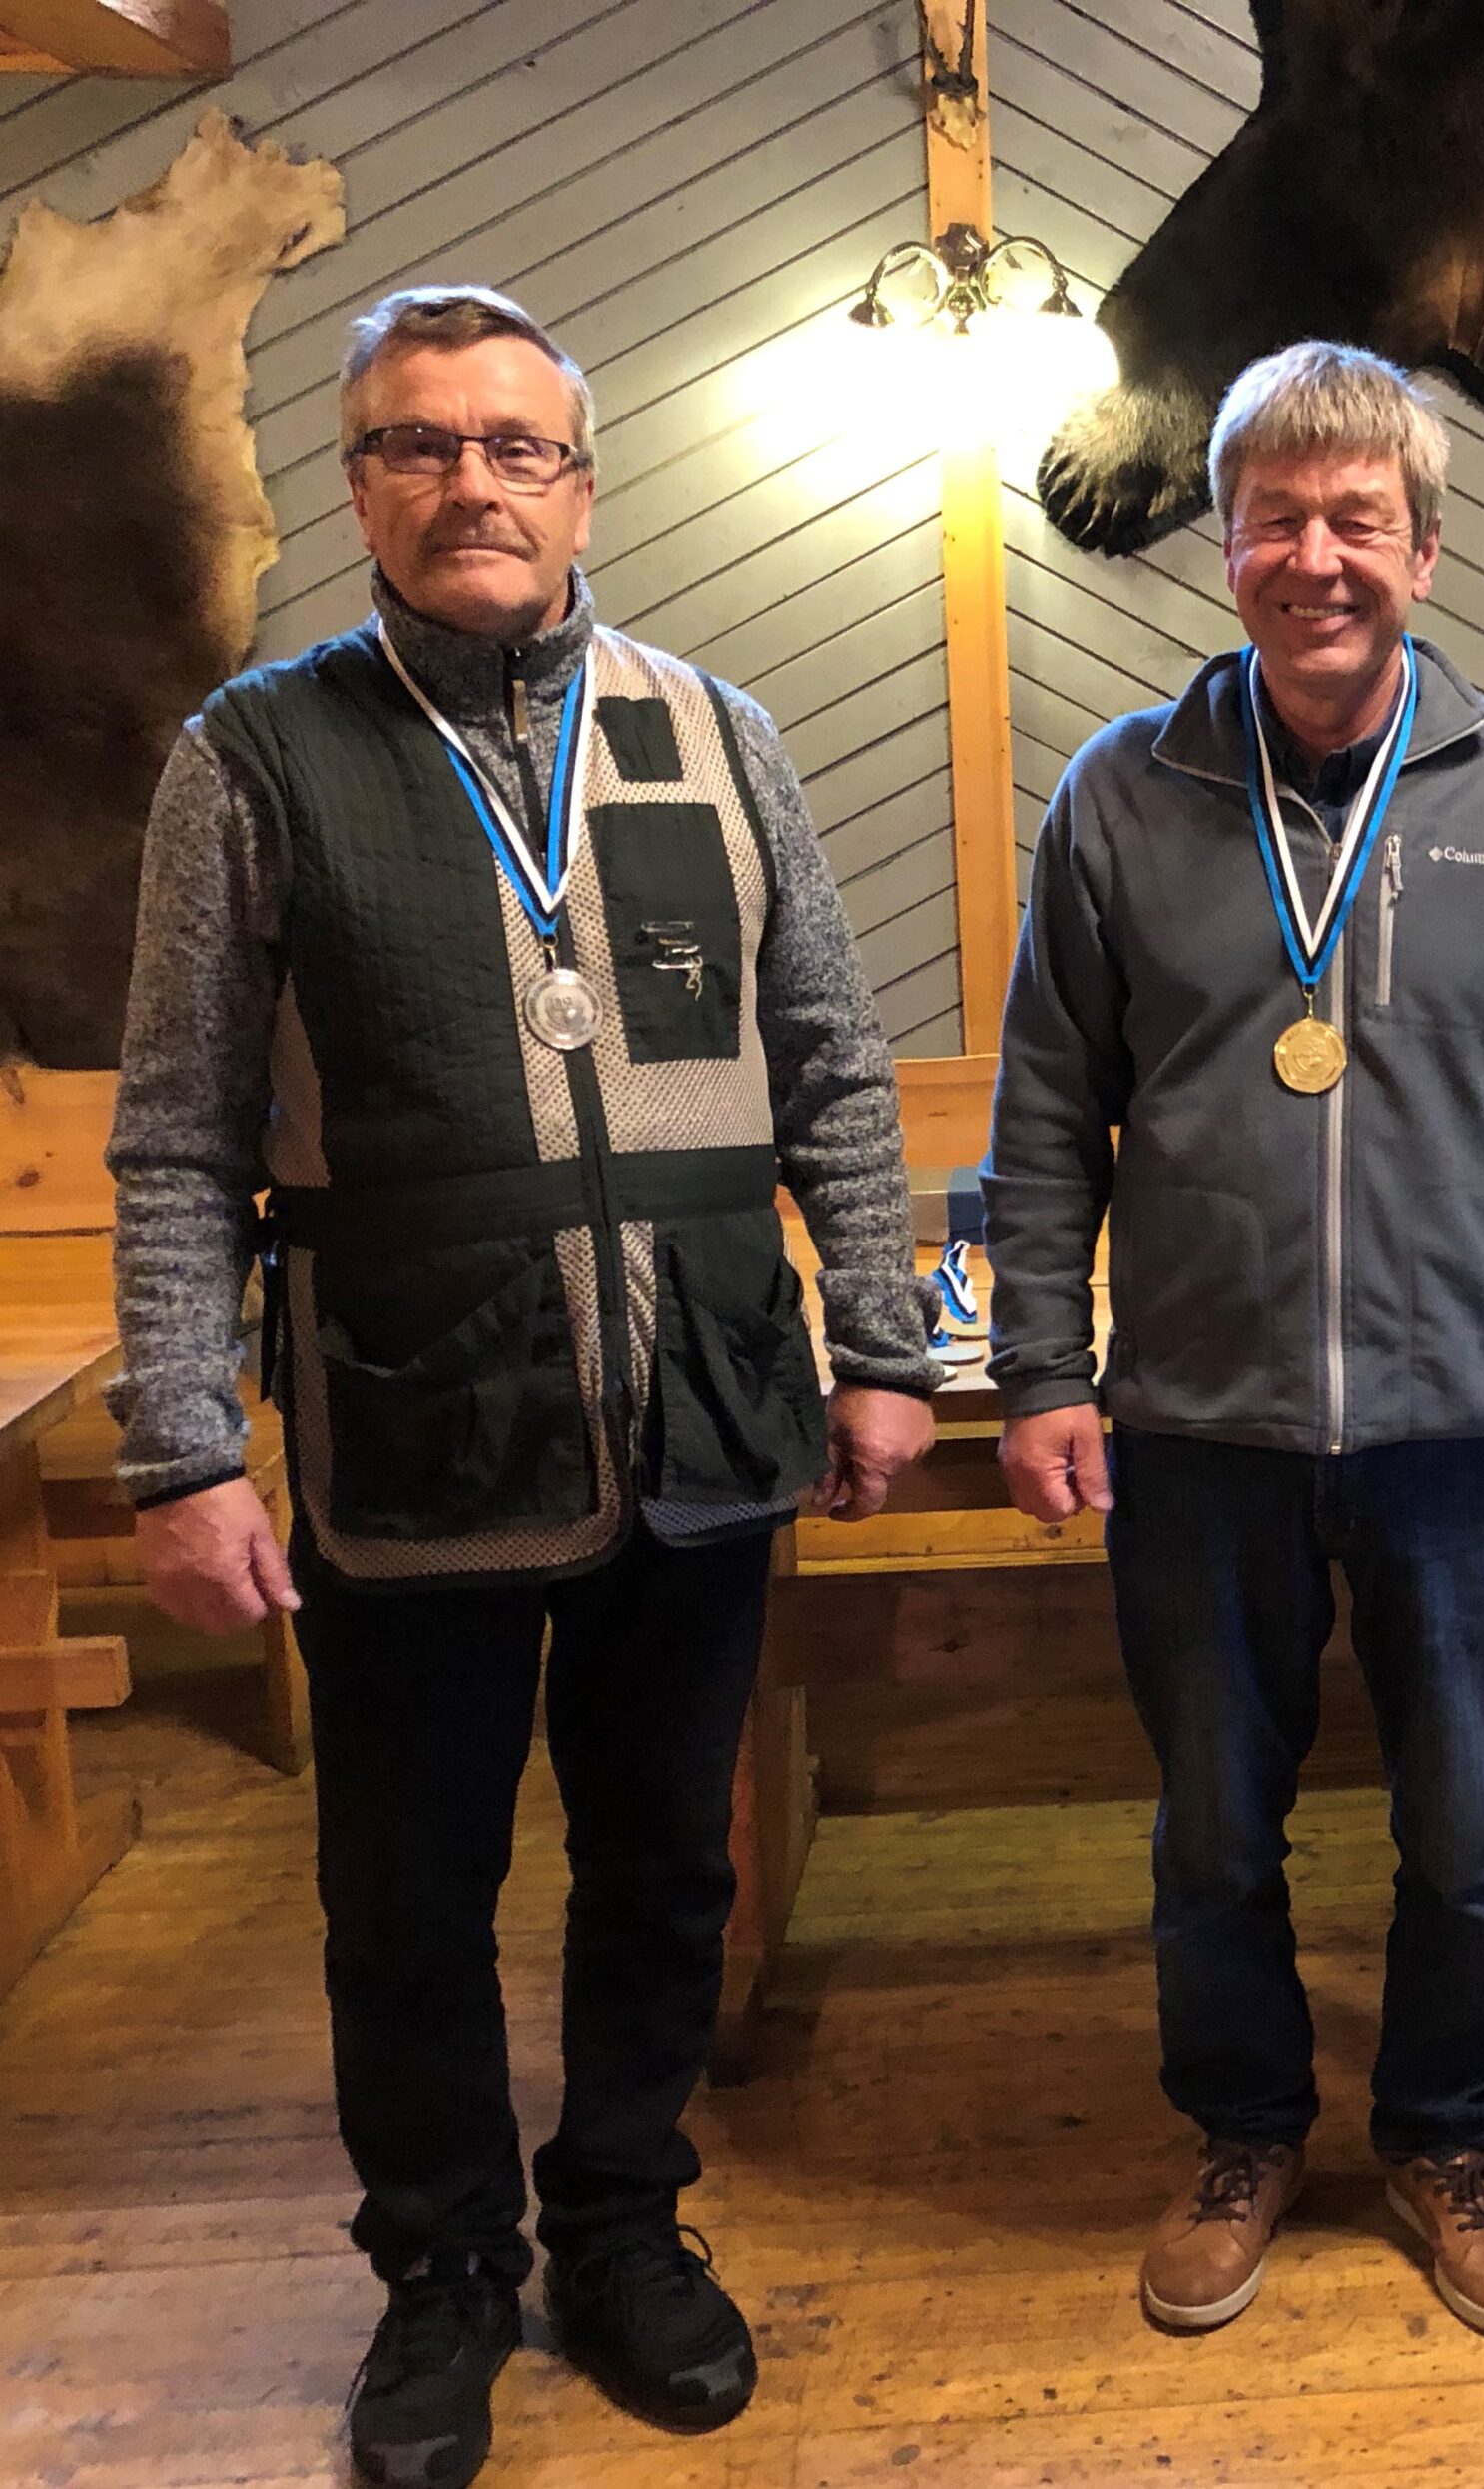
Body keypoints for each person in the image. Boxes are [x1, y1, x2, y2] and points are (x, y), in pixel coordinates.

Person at [107, 286, 939, 2487]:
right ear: (358, 484)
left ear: (584, 487)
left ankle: (624, 2220)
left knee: (668, 1864)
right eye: (421, 444)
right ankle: (446, 2269)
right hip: (411, 1430)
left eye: (516, 447)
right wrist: (182, 1446)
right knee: (408, 1898)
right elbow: (178, 1134)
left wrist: (881, 1340)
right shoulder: (253, 758)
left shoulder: (720, 732)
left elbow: (835, 1066)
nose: (472, 483)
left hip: (704, 1419)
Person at [986, 342, 1484, 2339]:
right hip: (1199, 1422)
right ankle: (1245, 2126)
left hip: (1465, 1419)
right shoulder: (1120, 792)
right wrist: (1040, 1370)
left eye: (1355, 519)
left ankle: (1447, 2133)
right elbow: (1047, 1110)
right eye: (1272, 518)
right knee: (1215, 1827)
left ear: (1423, 551)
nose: (1314, 558)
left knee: (1465, 1830)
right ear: (1223, 547)